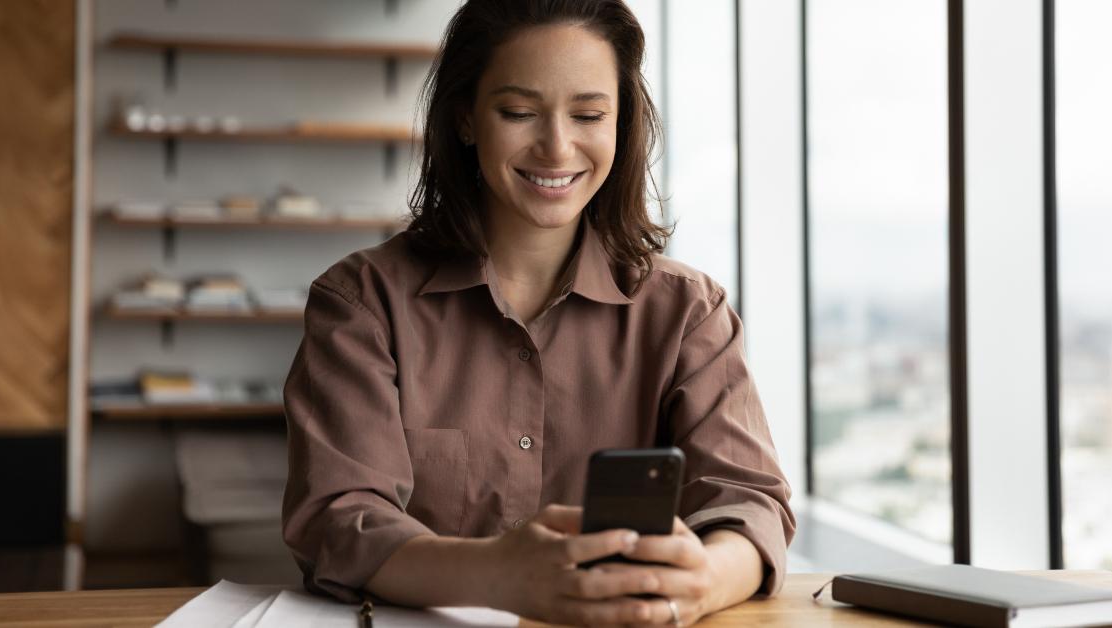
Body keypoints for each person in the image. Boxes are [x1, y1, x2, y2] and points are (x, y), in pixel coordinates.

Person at [281, 0, 795, 625]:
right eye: (519, 112)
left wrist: (703, 581)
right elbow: (337, 519)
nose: (557, 148)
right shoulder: (361, 304)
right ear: (467, 118)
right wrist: (498, 575)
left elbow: (750, 504)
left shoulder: (690, 313)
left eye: (588, 115)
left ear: (622, 125)